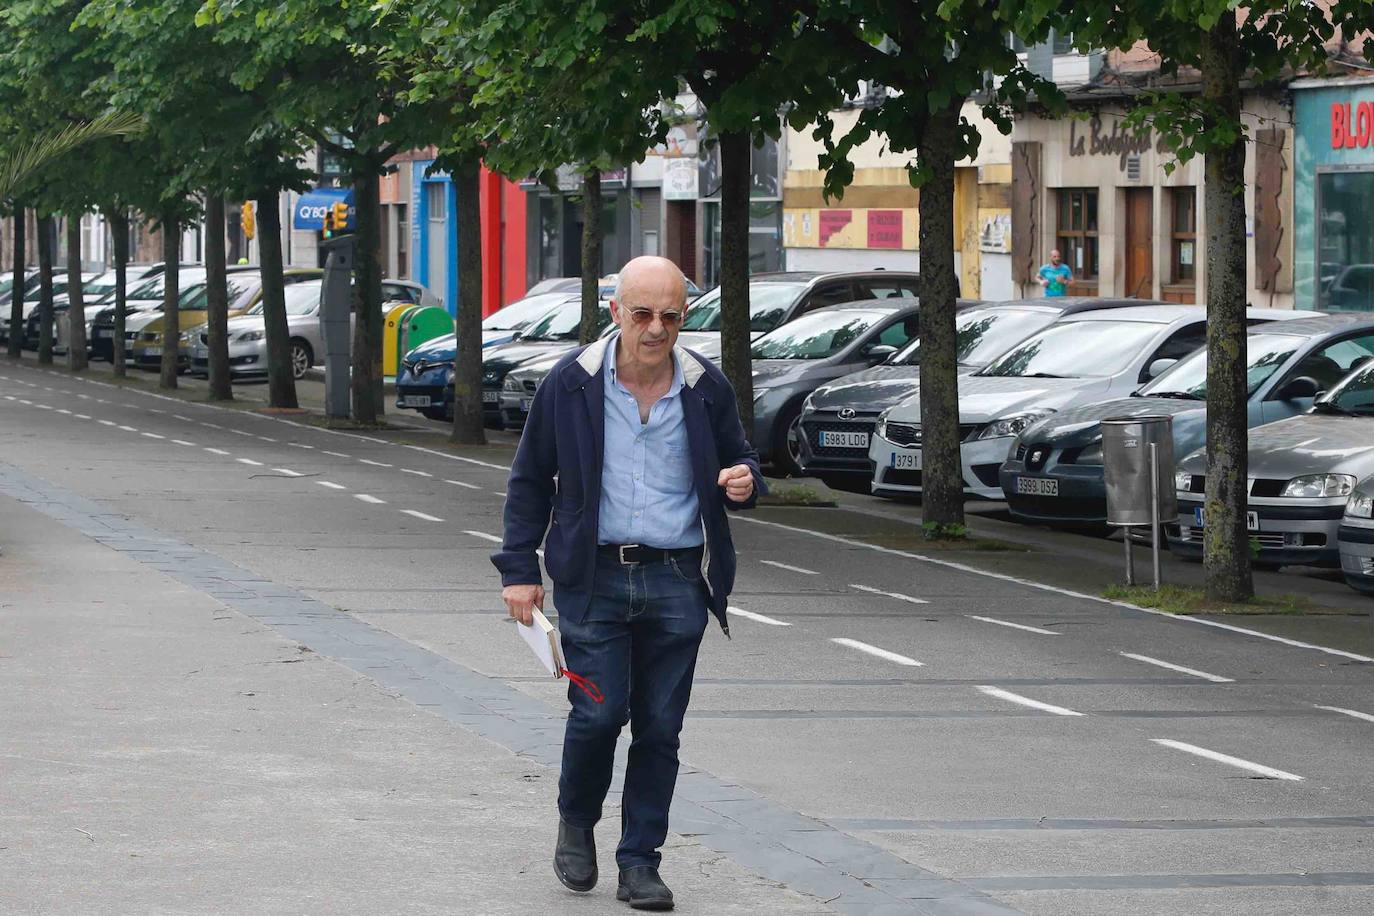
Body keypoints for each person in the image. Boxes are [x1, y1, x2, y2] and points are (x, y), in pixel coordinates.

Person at [493, 256, 763, 911]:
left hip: (676, 579)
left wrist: (746, 480)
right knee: (599, 713)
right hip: (594, 579)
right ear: (615, 312)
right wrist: (520, 572)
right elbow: (530, 479)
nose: (655, 328)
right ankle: (577, 821)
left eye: (670, 317)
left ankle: (640, 861)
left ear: (683, 318)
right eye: (641, 314)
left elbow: (742, 457)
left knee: (660, 728)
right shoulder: (573, 384)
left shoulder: (705, 388)